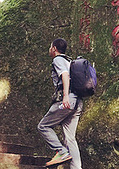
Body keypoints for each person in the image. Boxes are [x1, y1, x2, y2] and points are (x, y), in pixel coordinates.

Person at [38, 38, 83, 168]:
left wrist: (65, 97)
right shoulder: (70, 61)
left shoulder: (57, 60)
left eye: (50, 47)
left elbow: (64, 75)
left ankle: (61, 151)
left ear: (54, 48)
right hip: (78, 101)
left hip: (67, 100)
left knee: (43, 126)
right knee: (70, 138)